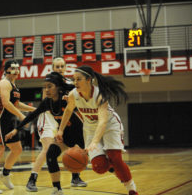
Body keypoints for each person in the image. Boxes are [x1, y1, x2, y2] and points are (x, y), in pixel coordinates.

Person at [55, 65, 139, 195]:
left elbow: (103, 122)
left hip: (110, 126)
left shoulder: (100, 95)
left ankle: (132, 189)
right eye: (74, 79)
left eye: (79, 79)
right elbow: (68, 110)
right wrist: (60, 130)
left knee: (115, 158)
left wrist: (94, 142)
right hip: (90, 128)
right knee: (99, 167)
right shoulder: (73, 95)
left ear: (89, 80)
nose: (75, 82)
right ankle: (112, 167)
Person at [5, 72, 85, 195]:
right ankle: (57, 189)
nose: (46, 90)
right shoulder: (47, 102)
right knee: (51, 154)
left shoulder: (68, 97)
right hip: (65, 136)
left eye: (49, 86)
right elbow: (33, 115)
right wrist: (16, 129)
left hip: (82, 136)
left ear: (58, 87)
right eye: (45, 87)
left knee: (103, 161)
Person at [25, 57, 86, 192]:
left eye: (61, 66)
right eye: (57, 66)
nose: (59, 69)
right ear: (52, 68)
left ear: (65, 68)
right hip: (48, 117)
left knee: (71, 146)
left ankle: (75, 177)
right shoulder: (50, 83)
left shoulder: (70, 83)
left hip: (62, 118)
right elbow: (46, 102)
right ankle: (32, 180)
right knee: (48, 149)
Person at [0, 59, 36, 194]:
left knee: (17, 149)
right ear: (6, 70)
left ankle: (4, 174)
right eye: (13, 68)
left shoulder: (14, 85)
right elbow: (6, 103)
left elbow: (16, 104)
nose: (16, 70)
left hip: (6, 121)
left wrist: (33, 110)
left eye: (18, 68)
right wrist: (21, 116)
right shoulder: (4, 83)